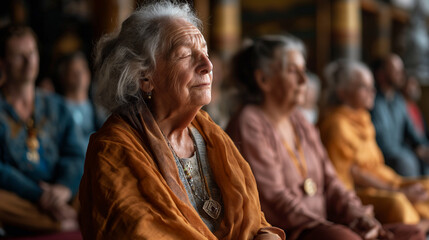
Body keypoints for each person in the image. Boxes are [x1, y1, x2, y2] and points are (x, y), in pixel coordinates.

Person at [78, 2, 285, 240]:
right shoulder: (113, 150)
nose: (208, 66)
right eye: (186, 55)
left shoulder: (209, 133)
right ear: (145, 77)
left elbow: (257, 223)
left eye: (206, 54)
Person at [226, 35, 424, 240]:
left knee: (412, 234)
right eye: (293, 71)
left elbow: (331, 181)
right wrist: (334, 226)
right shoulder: (249, 121)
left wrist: (356, 215)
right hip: (291, 230)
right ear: (263, 80)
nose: (304, 80)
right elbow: (273, 199)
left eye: (304, 71)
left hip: (326, 224)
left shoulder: (299, 120)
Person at [318, 59, 429, 230]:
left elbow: (376, 164)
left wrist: (398, 185)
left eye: (372, 85)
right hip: (359, 192)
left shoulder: (363, 117)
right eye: (364, 87)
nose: (373, 91)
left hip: (384, 181)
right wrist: (397, 191)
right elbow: (352, 174)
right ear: (342, 93)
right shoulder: (337, 125)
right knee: (398, 203)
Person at [0, 25, 84, 234]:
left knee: (100, 181)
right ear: (2, 63)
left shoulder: (57, 105)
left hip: (61, 193)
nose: (29, 61)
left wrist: (64, 189)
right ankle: (59, 223)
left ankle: (47, 220)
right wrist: (38, 195)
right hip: (19, 196)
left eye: (32, 53)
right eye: (20, 56)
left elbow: (75, 154)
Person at [371, 54, 429, 177]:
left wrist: (422, 147)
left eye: (401, 71)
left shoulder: (399, 101)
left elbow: (412, 132)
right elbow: (382, 143)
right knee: (405, 161)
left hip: (402, 152)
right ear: (381, 74)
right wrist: (413, 151)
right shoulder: (372, 102)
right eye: (396, 71)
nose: (401, 74)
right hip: (385, 156)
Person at [55, 51, 106, 150]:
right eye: (74, 71)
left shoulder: (98, 109)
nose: (79, 75)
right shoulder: (56, 109)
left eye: (82, 69)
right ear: (63, 76)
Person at [402, 74, 427, 138]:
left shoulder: (416, 108)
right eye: (411, 84)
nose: (414, 88)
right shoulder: (403, 108)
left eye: (416, 85)